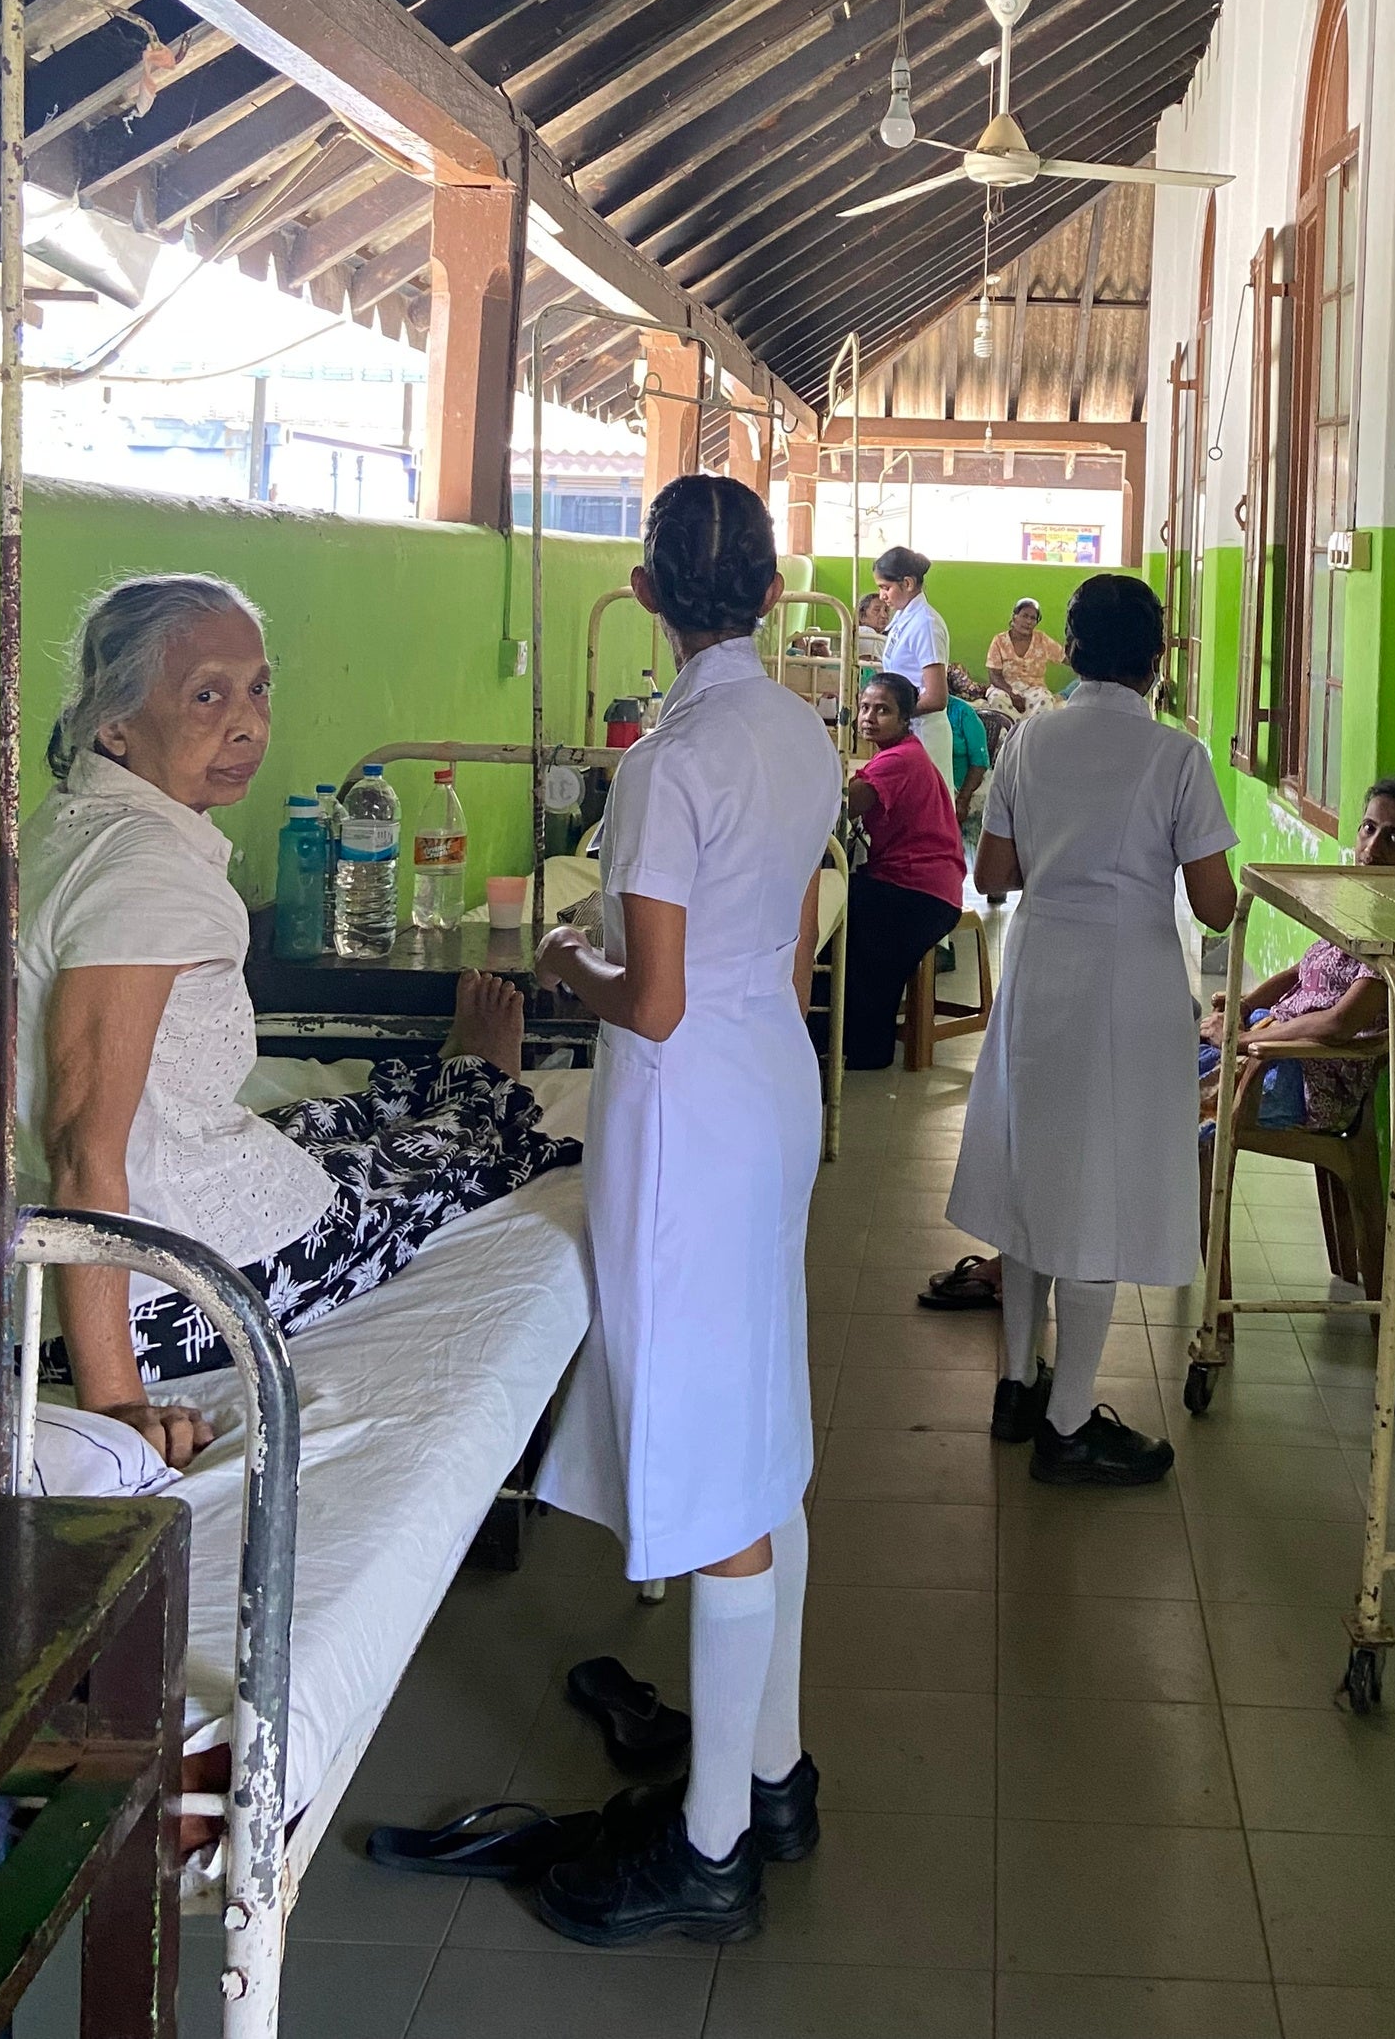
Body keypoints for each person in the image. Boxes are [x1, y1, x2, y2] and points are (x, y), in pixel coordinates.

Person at [0, 574, 571, 1458]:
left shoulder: (64, 827)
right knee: (438, 1162)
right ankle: (477, 1080)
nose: (249, 722)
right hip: (87, 1308)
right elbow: (79, 1142)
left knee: (321, 1124)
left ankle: (441, 1081)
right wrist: (116, 1402)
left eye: (258, 687)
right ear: (115, 724)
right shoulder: (145, 874)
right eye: (206, 695)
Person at [529, 476, 841, 1947]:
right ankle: (774, 1773)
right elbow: (788, 951)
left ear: (645, 594)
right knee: (760, 1437)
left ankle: (711, 1848)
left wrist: (561, 961)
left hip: (687, 1117)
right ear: (773, 593)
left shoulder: (670, 761)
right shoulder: (800, 733)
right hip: (770, 1087)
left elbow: (646, 999)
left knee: (716, 1465)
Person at [947, 572, 1237, 1485]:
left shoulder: (1031, 738)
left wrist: (1063, 855)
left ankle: (1015, 1384)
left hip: (1041, 970)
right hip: (1129, 983)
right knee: (1100, 1194)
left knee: (1034, 1168)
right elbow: (1215, 905)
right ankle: (1069, 1423)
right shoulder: (1178, 757)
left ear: (1069, 651)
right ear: (1158, 658)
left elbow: (993, 874)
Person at [1197, 778, 1395, 1304]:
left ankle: (1168, 1263)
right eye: (1368, 828)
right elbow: (1302, 972)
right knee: (1155, 1058)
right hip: (1269, 1046)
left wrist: (1245, 1039)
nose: (1372, 847)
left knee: (1173, 1105)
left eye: (1394, 838)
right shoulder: (1362, 909)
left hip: (1307, 1080)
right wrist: (1242, 1006)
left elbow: (1337, 1025)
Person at [839, 672, 968, 1071]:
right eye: (864, 707)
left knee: (833, 910)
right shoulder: (901, 753)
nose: (868, 717)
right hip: (926, 887)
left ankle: (857, 1043)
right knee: (846, 900)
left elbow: (843, 807)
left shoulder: (899, 760)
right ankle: (852, 1036)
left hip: (918, 892)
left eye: (882, 710)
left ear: (905, 719)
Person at [872, 546, 955, 791]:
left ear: (907, 583)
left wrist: (893, 713)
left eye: (885, 588)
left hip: (924, 733)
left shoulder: (925, 624)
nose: (882, 596)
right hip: (907, 730)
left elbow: (936, 697)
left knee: (925, 802)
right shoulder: (903, 617)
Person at [985, 596, 1064, 714]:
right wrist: (1012, 694)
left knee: (1045, 700)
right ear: (1014, 617)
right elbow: (994, 675)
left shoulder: (1042, 639)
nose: (1028, 622)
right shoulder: (999, 641)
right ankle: (1010, 727)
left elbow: (1065, 657)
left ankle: (1033, 727)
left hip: (1034, 689)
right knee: (997, 698)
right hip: (1005, 689)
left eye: (1033, 618)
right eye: (1025, 616)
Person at [945, 684, 991, 835]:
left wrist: (963, 800)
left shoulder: (962, 712)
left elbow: (979, 762)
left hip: (963, 790)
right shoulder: (913, 712)